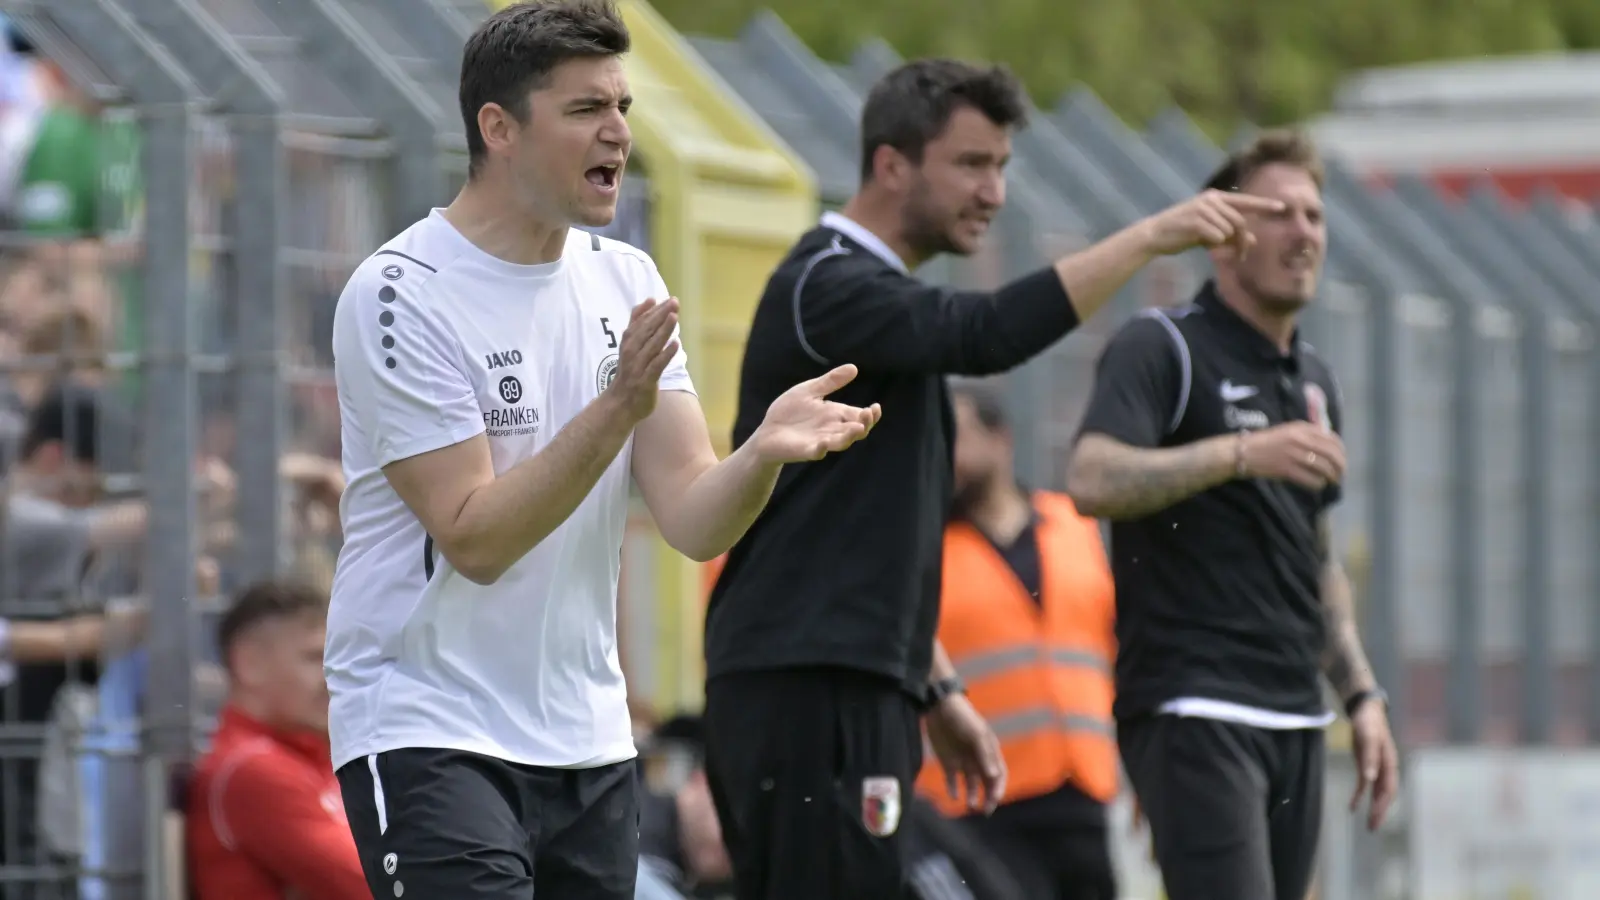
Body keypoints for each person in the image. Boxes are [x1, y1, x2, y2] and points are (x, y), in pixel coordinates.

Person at [323, 4, 879, 900]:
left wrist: (760, 455)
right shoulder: (399, 294)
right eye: (586, 108)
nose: (619, 130)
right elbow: (476, 538)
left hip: (588, 739)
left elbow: (694, 517)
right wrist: (618, 405)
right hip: (431, 728)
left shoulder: (627, 279)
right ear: (498, 128)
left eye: (622, 104)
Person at [701, 55, 1283, 900]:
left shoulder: (880, 311)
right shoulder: (828, 282)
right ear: (892, 164)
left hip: (860, 689)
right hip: (805, 691)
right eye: (973, 164)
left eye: (1003, 168)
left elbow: (861, 543)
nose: (995, 192)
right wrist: (1153, 236)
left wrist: (935, 687)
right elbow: (984, 332)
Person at [1063, 129, 1400, 900]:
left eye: (1314, 216)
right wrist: (1239, 454)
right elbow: (1090, 477)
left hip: (1295, 714)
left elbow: (1315, 561)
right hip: (1195, 704)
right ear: (1224, 239)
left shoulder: (1313, 380)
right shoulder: (1164, 348)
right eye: (1279, 213)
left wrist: (1362, 697)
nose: (1304, 232)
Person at [916, 380, 1119, 900]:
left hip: (1081, 788)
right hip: (975, 801)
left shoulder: (1074, 525)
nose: (945, 457)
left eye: (954, 437)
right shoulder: (924, 548)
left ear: (999, 437)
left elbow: (1116, 646)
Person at [185, 580, 369, 900]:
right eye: (315, 658)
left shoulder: (305, 754)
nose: (334, 675)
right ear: (250, 664)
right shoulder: (252, 770)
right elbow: (381, 887)